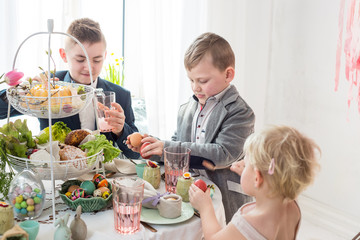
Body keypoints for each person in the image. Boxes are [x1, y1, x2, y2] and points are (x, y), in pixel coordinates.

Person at [127, 32, 255, 222]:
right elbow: (177, 148)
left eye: (202, 81)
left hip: (225, 202)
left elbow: (223, 154)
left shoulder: (240, 112)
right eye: (191, 80)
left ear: (228, 74)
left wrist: (166, 147)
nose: (195, 87)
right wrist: (152, 147)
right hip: (191, 196)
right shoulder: (187, 108)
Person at [0, 18, 139, 159]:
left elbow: (135, 153)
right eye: (80, 59)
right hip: (56, 173)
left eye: (97, 60)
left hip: (102, 175)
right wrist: (23, 91)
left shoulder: (120, 95)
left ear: (105, 56)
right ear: (64, 55)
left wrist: (121, 130)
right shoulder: (48, 86)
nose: (89, 67)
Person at [189, 125, 321, 240]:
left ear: (257, 178)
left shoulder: (249, 222)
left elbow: (213, 238)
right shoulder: (291, 204)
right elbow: (274, 179)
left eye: (245, 164)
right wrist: (249, 174)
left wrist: (205, 207)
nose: (239, 164)